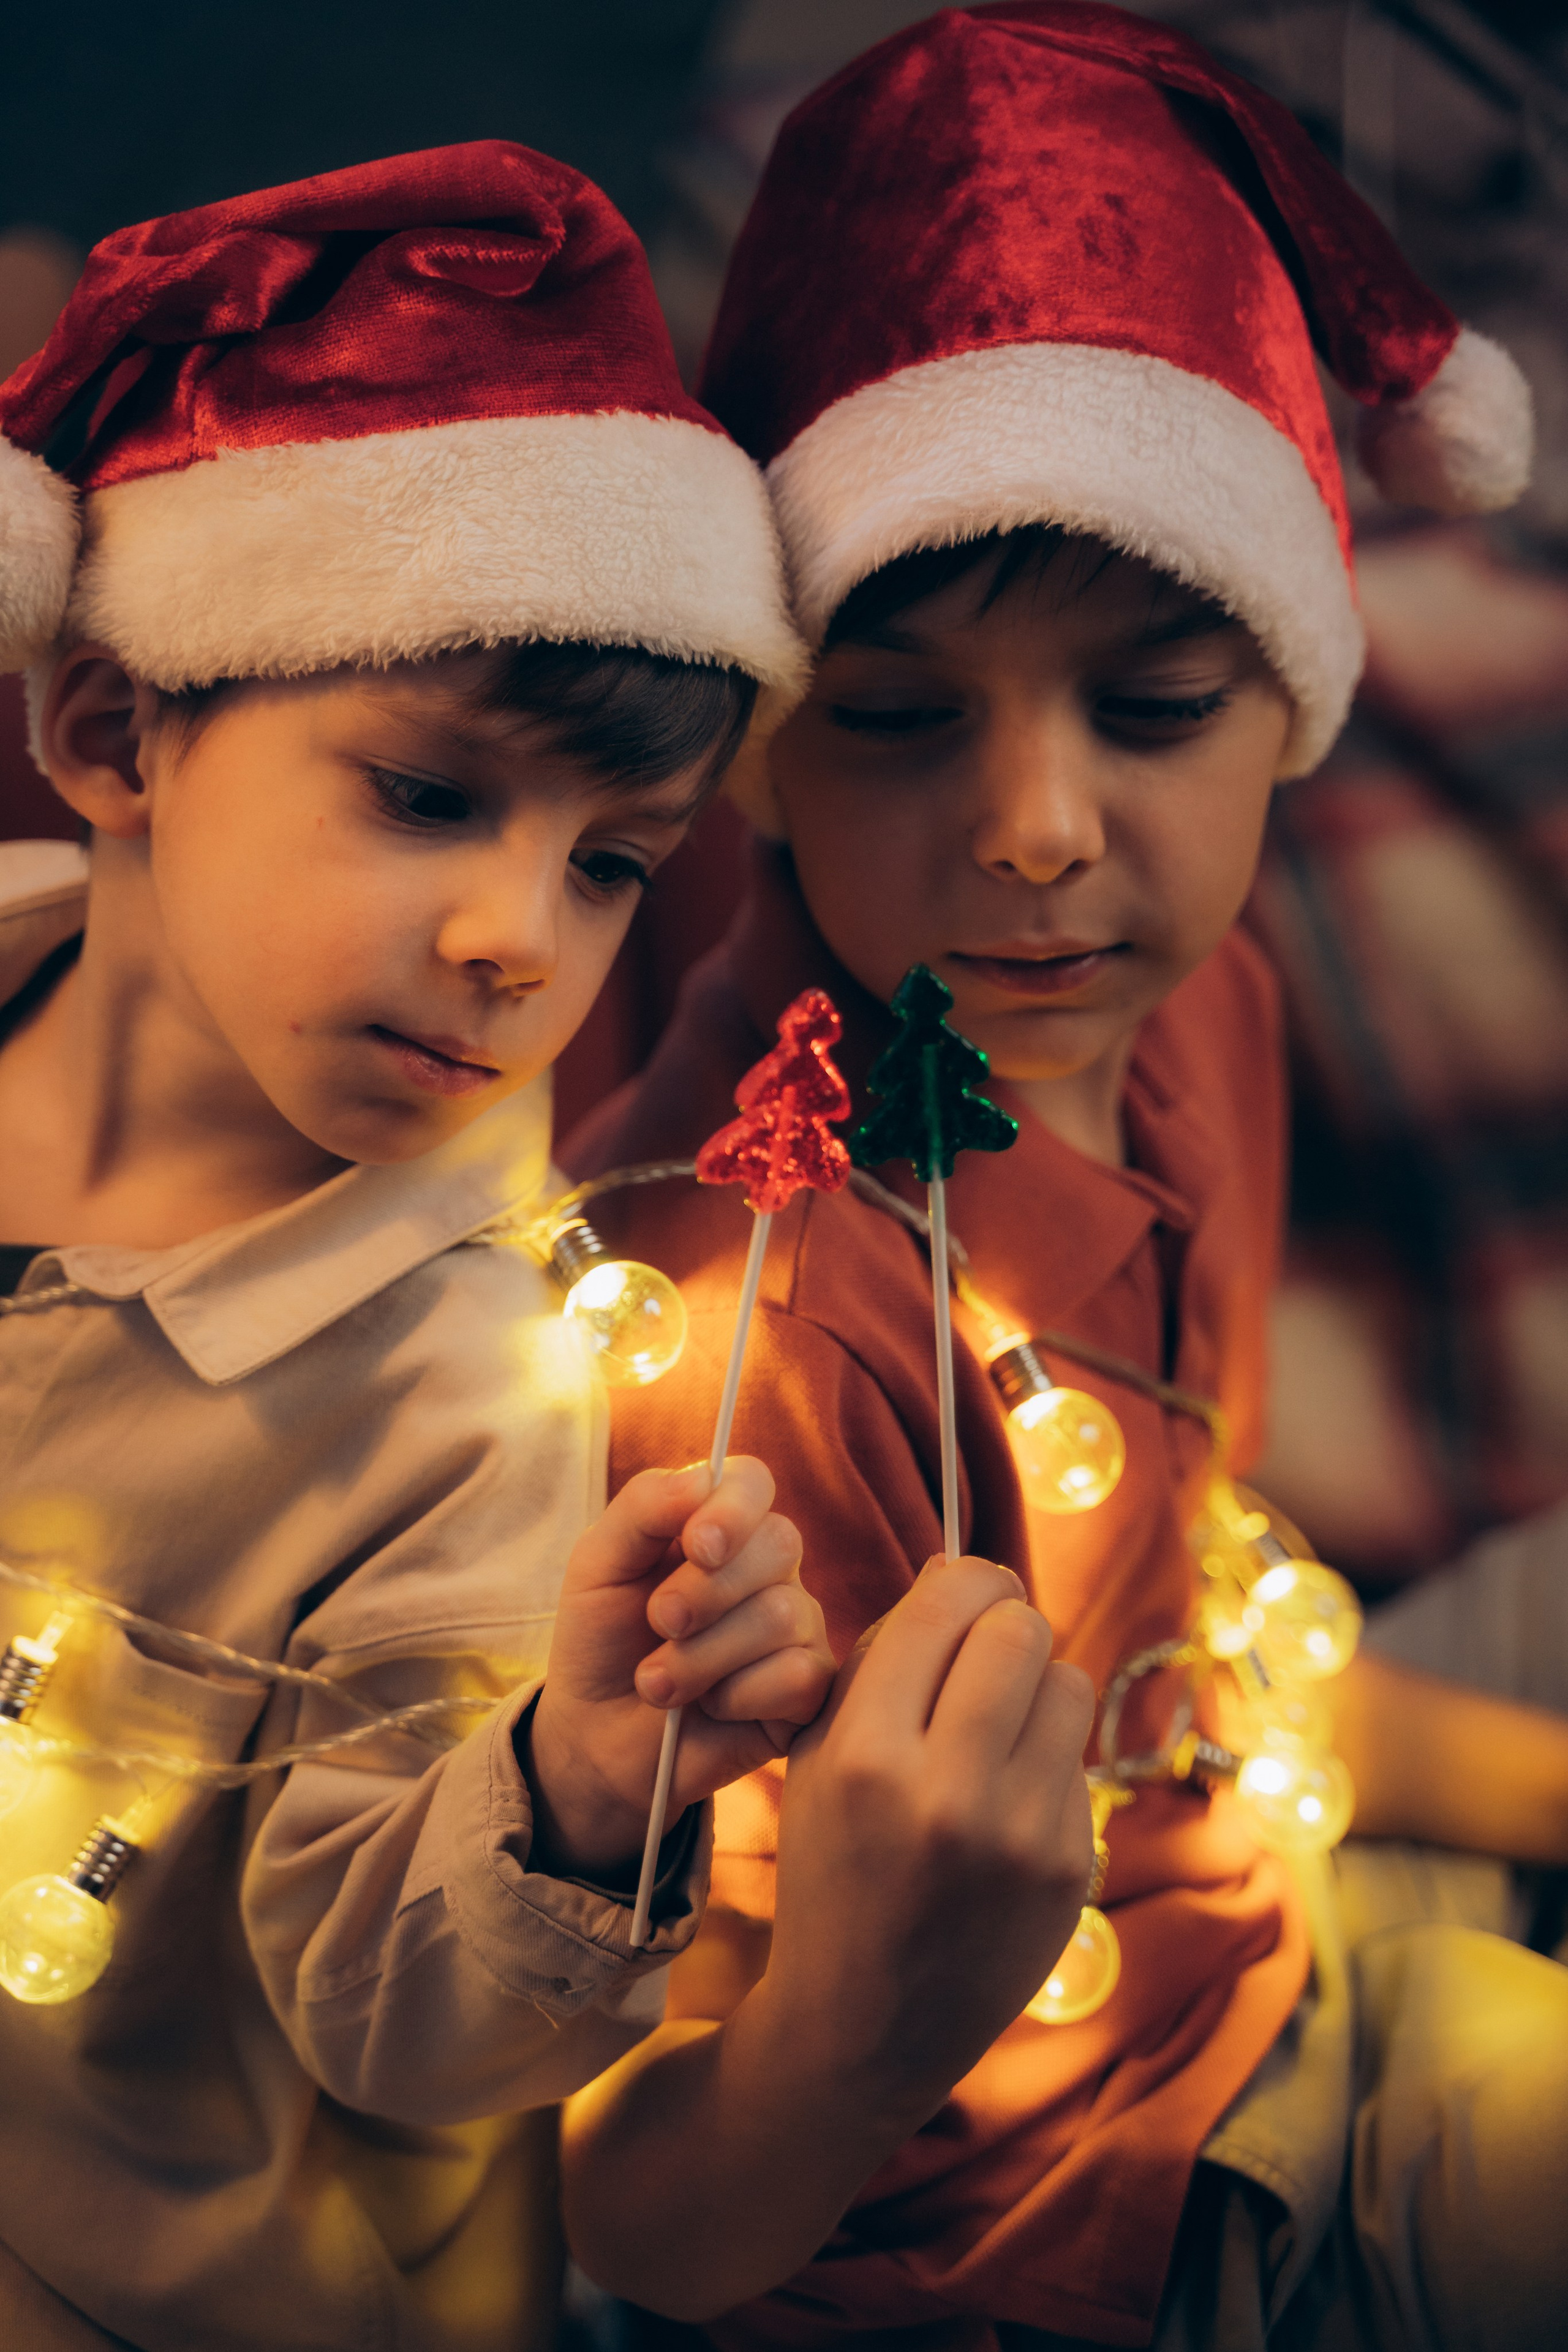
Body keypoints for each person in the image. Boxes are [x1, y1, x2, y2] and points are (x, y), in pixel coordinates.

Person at [559, 10, 1568, 2348]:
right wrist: (866, 2015)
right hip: (1035, 2229)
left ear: (1293, 694)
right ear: (762, 750)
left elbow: (1204, 1639)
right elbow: (635, 2214)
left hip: (1272, 1912)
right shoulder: (741, 1346)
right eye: (901, 718)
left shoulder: (1188, 1004)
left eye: (1155, 705)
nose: (1036, 831)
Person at [0, 141, 842, 2352]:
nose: (515, 942)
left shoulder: (469, 1385)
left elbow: (405, 2027)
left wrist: (575, 1782)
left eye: (611, 870)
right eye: (432, 796)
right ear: (113, 736)